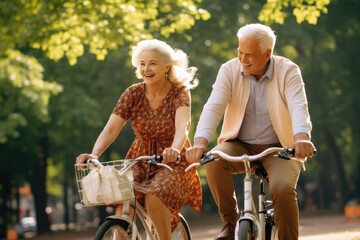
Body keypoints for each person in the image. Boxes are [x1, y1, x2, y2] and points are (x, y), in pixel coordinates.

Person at [186, 23, 316, 240]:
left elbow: (298, 106)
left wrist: (301, 138)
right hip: (239, 144)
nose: (242, 59)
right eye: (240, 52)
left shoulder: (288, 70)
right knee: (213, 161)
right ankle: (230, 223)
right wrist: (200, 142)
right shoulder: (229, 70)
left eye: (249, 55)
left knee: (283, 189)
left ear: (268, 54)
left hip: (280, 148)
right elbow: (214, 106)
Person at [76, 39, 202, 240]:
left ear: (167, 66)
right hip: (140, 156)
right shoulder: (133, 93)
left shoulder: (179, 91)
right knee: (123, 197)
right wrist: (94, 153)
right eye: (142, 64)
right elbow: (111, 128)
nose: (146, 68)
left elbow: (182, 126)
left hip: (172, 159)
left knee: (154, 196)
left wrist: (175, 149)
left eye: (153, 63)